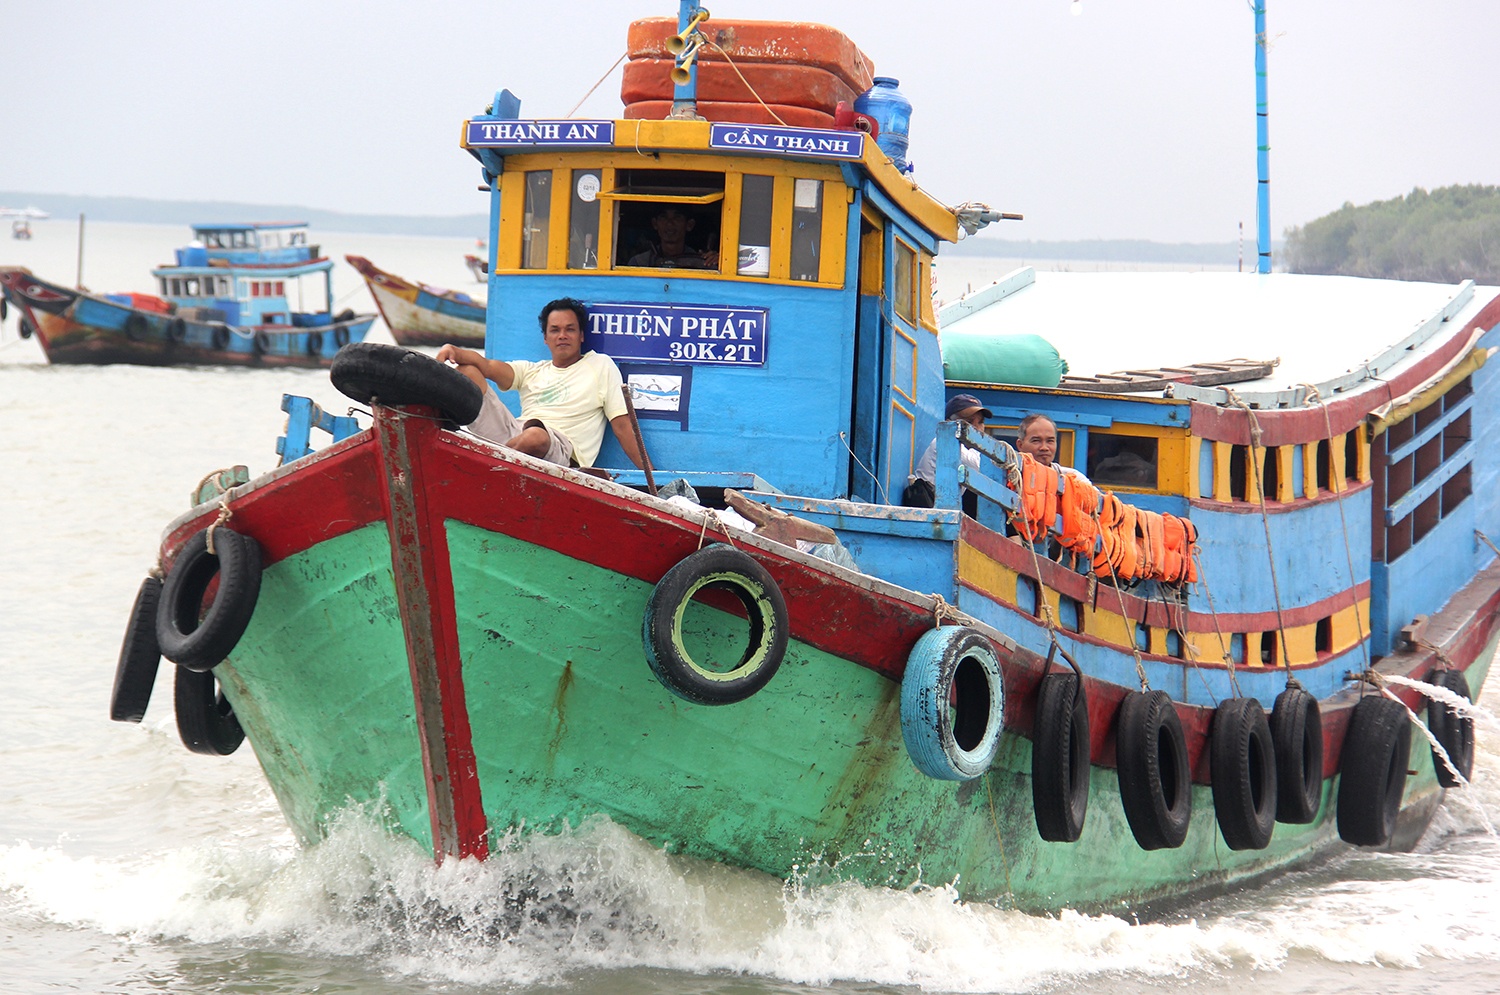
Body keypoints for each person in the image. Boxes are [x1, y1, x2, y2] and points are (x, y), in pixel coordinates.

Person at [436, 297, 645, 471]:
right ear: (545, 337)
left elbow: (622, 425)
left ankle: (484, 467)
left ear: (581, 336)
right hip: (516, 435)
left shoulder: (600, 365)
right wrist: (453, 350)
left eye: (570, 329)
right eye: (555, 330)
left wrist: (651, 475)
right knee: (467, 371)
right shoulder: (531, 370)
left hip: (560, 449)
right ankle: (474, 453)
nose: (562, 336)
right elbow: (487, 366)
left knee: (535, 436)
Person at [903, 393, 992, 513]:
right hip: (927, 505)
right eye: (969, 421)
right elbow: (979, 467)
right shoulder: (944, 441)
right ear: (948, 422)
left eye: (980, 422)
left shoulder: (967, 449)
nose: (977, 428)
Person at [627, 206, 720, 269]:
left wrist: (721, 262)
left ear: (689, 225)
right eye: (664, 217)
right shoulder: (639, 263)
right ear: (655, 224)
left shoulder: (702, 263)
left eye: (677, 217)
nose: (670, 223)